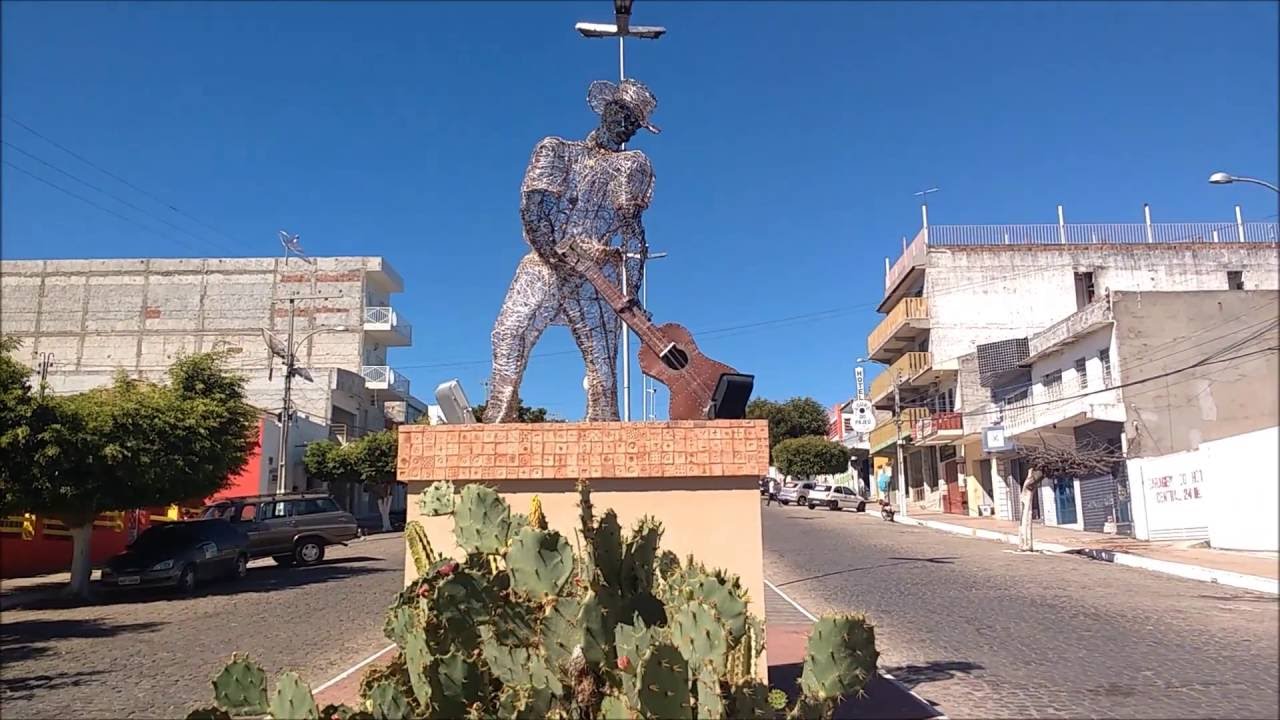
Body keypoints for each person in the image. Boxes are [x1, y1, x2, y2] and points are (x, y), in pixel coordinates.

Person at [484, 79, 659, 422]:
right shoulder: (557, 151)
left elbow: (632, 231)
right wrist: (555, 258)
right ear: (608, 109)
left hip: (598, 272)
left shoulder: (631, 165)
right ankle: (500, 412)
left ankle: (603, 427)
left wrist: (631, 291)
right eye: (624, 115)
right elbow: (533, 211)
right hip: (546, 262)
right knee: (509, 331)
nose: (628, 127)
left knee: (602, 362)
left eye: (635, 123)